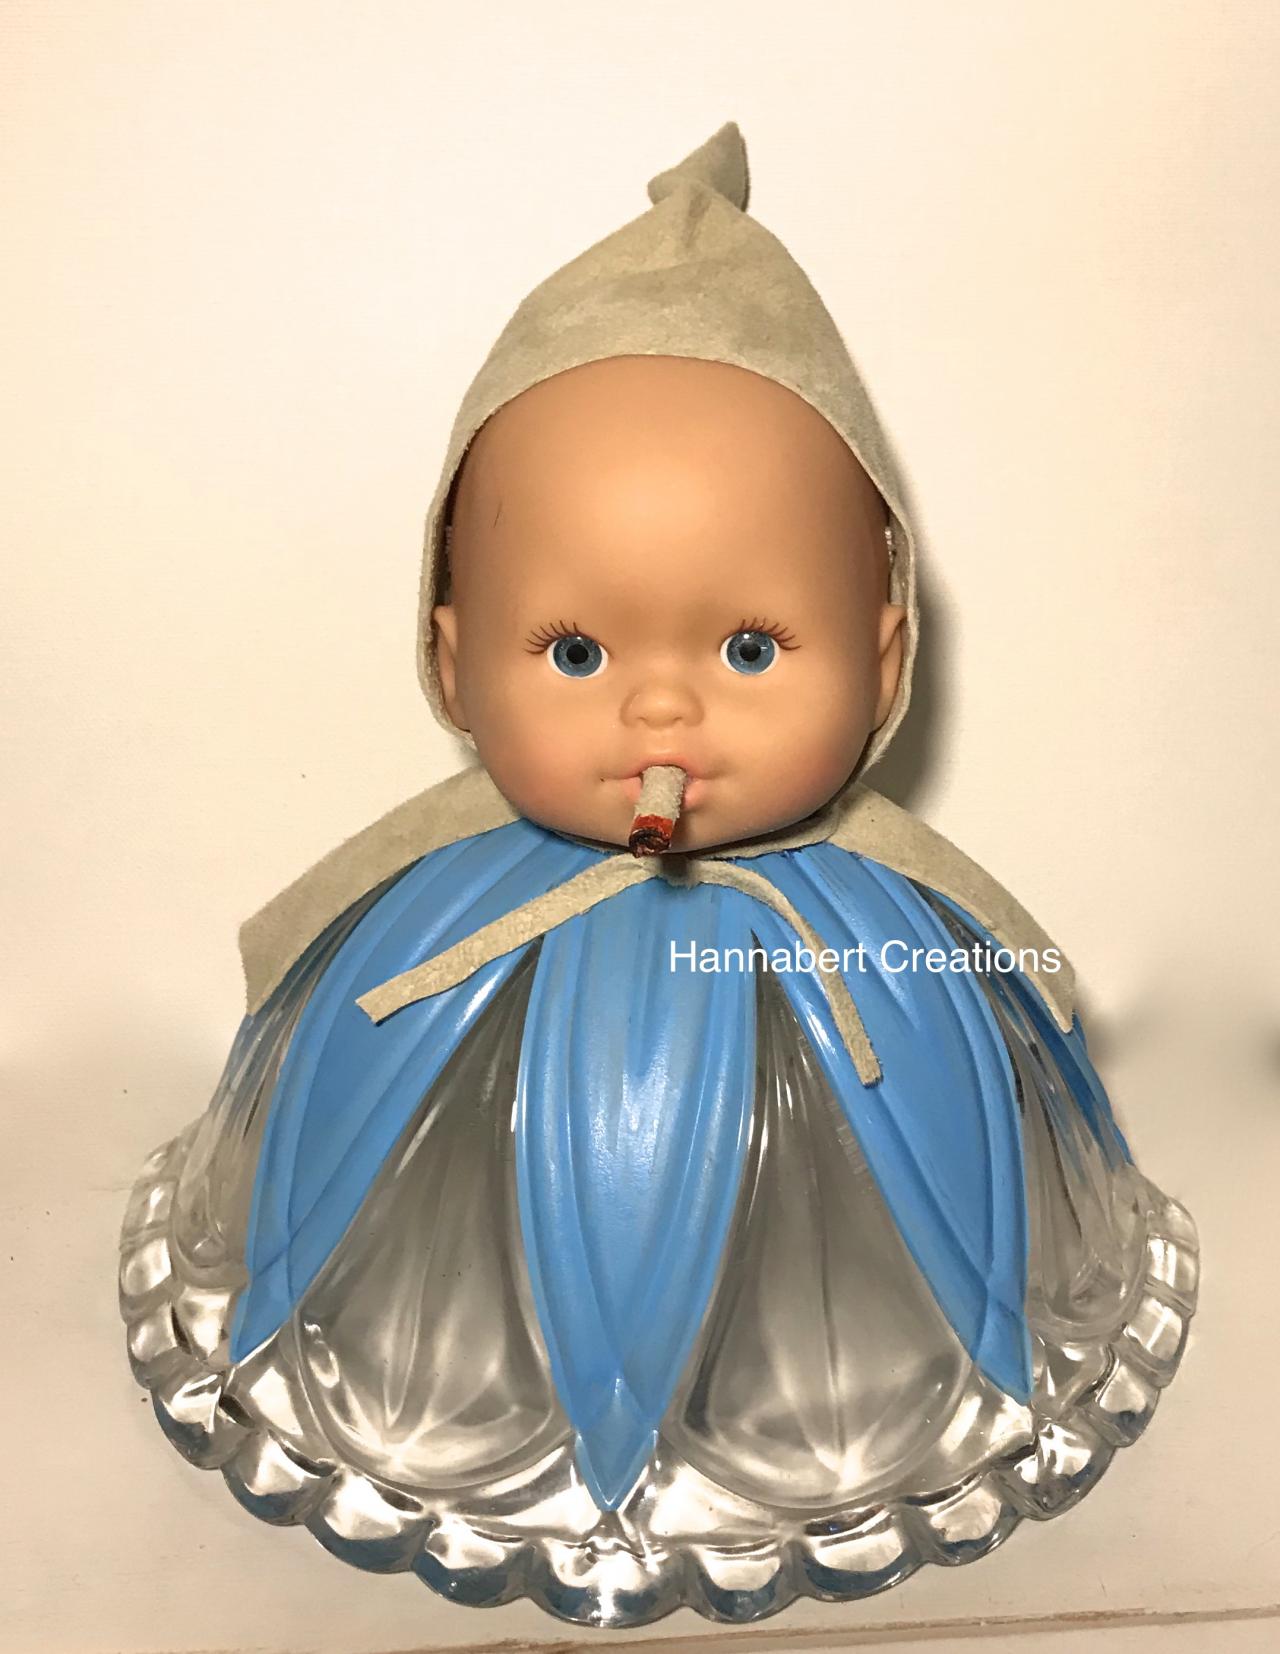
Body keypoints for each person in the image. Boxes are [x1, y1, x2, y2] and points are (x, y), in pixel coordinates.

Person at [119, 123, 1198, 1629]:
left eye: (750, 646)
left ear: (887, 659)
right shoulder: (404, 948)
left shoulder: (915, 966)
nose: (662, 707)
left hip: (862, 1422)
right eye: (576, 650)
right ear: (448, 660)